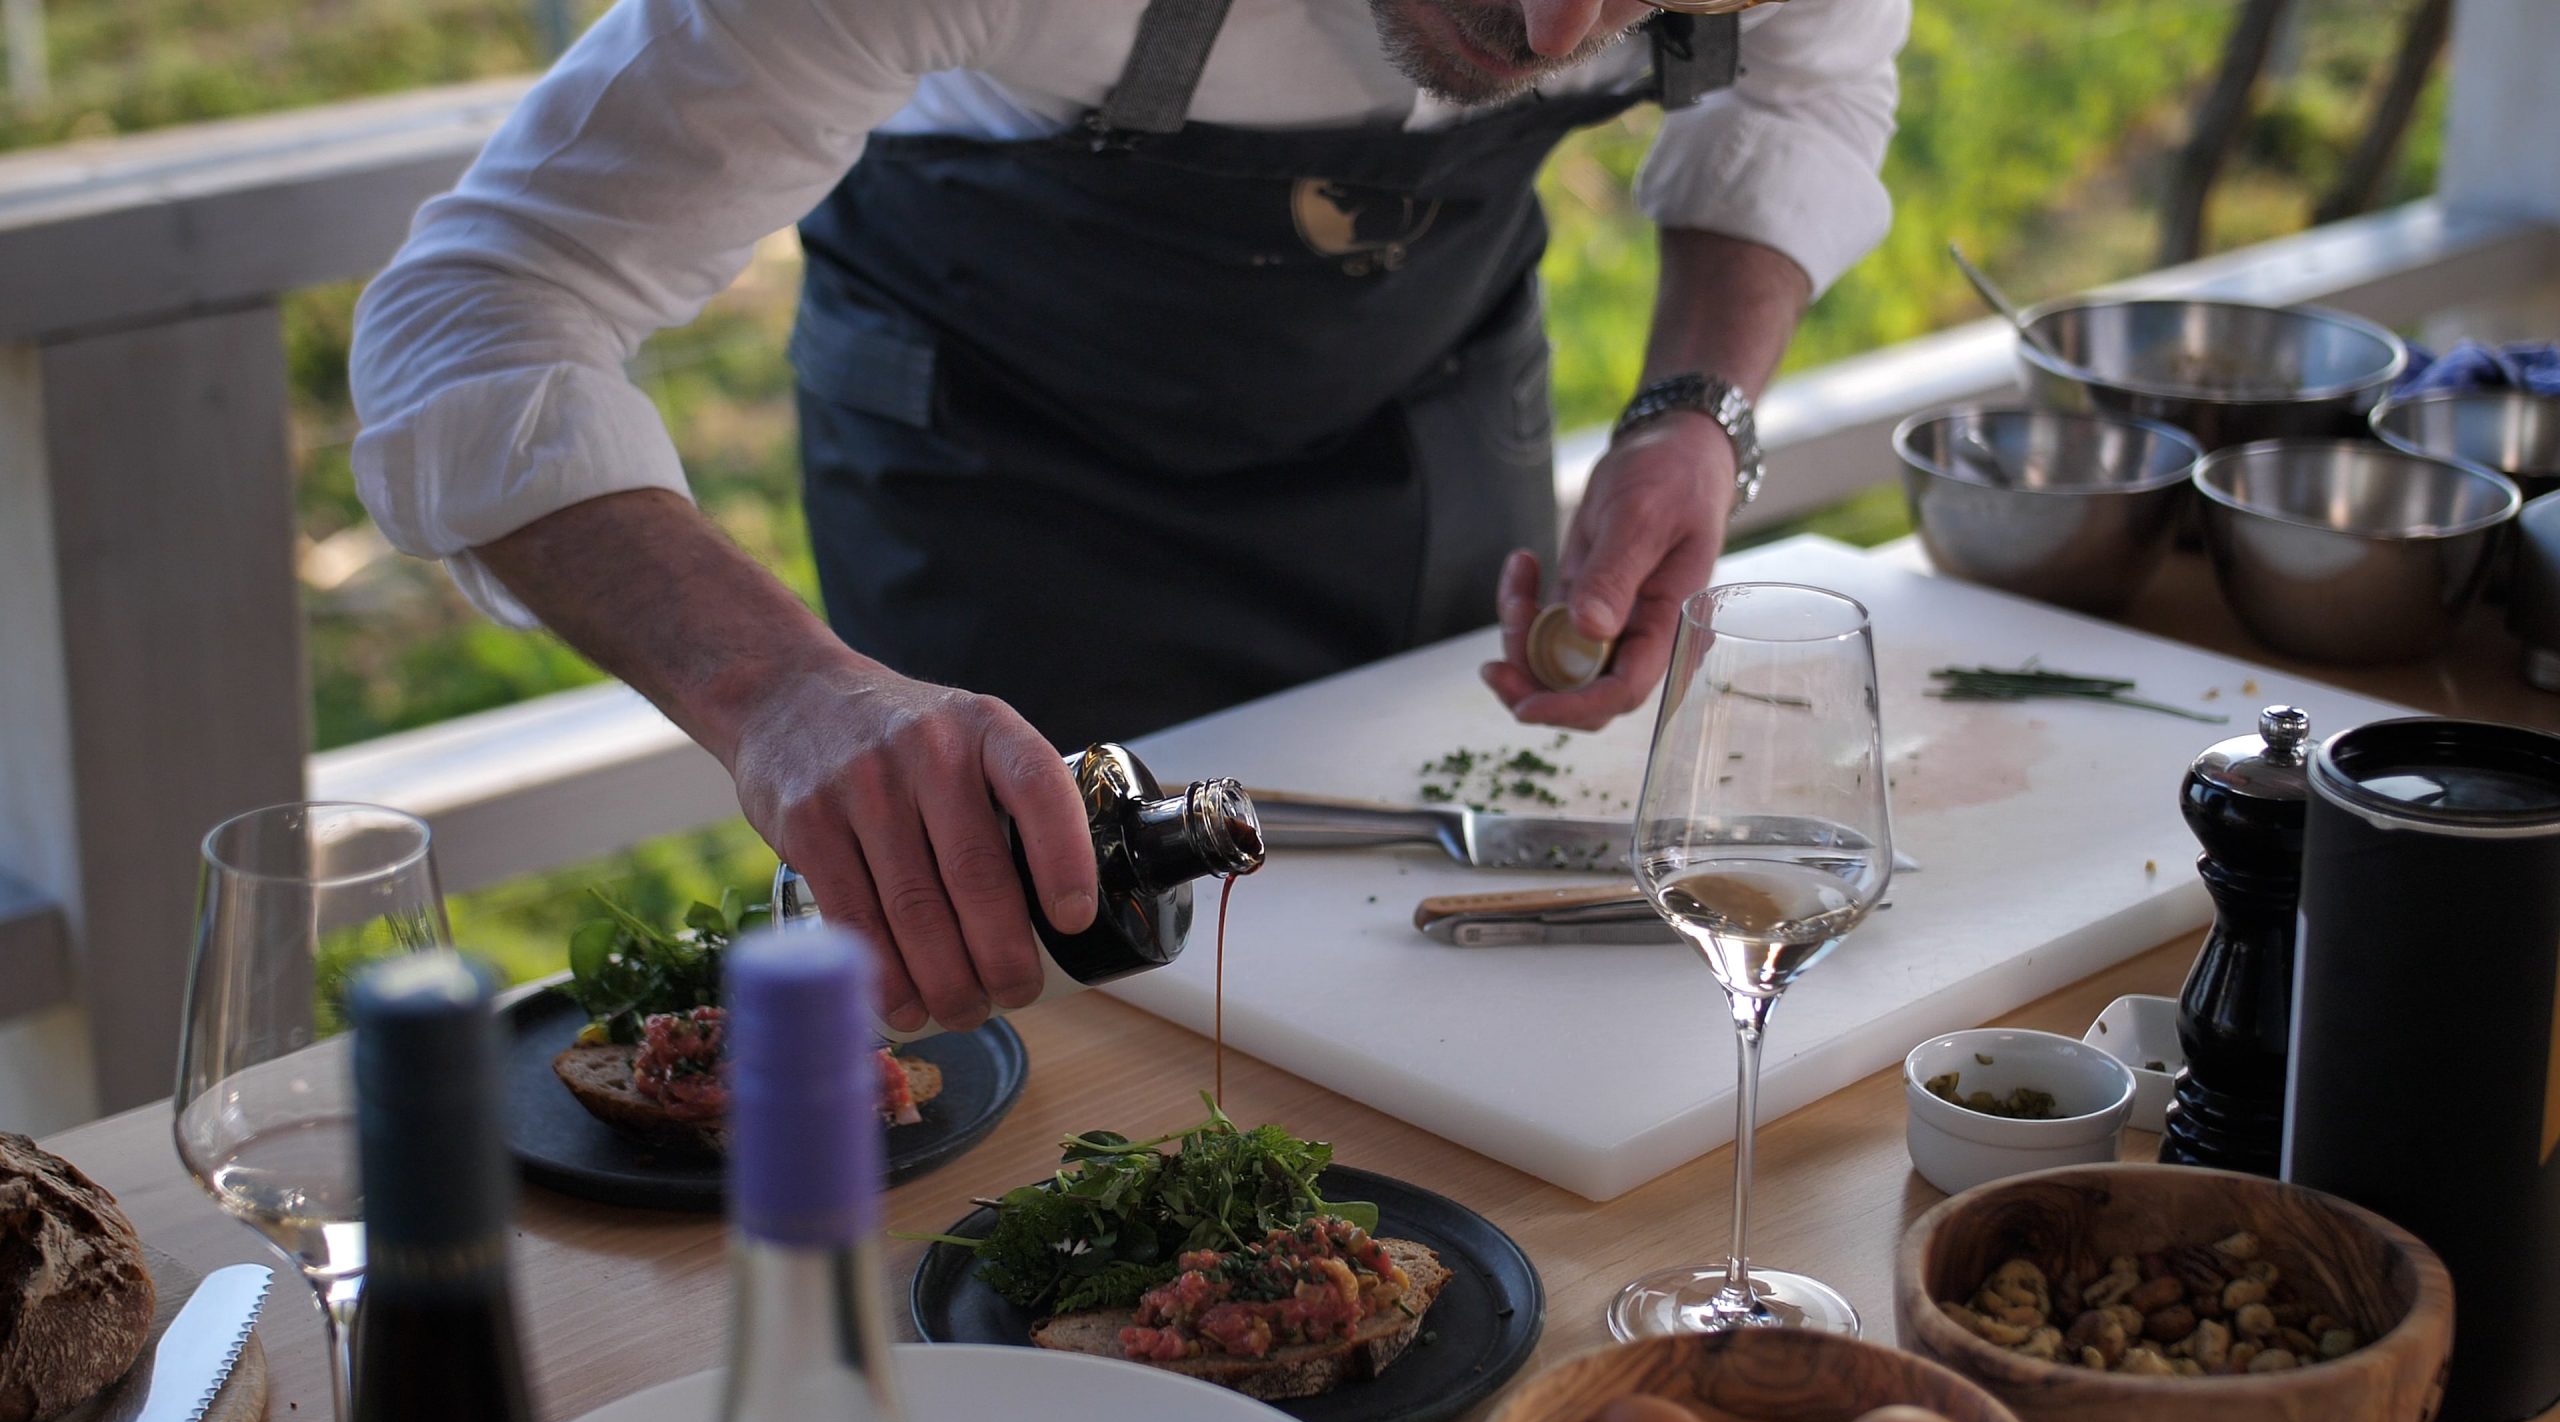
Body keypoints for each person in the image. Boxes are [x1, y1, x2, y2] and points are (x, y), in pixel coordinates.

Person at [349, 0, 1906, 1032]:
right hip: (1003, 466)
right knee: (1053, 1033)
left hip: (1425, 406)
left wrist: (1695, 413)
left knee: (1433, 966)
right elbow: (478, 313)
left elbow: (1810, 99)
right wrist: (783, 695)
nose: (1556, 29)